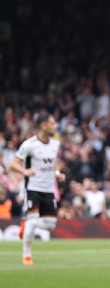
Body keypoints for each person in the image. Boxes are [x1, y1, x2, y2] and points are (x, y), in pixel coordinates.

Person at [10, 113, 65, 265]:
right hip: (33, 188)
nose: (56, 126)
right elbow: (13, 164)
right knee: (33, 221)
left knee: (50, 225)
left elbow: (51, 164)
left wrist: (57, 174)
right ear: (43, 126)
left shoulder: (55, 144)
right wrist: (25, 171)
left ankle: (26, 223)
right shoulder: (29, 144)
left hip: (48, 189)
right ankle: (26, 255)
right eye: (53, 123)